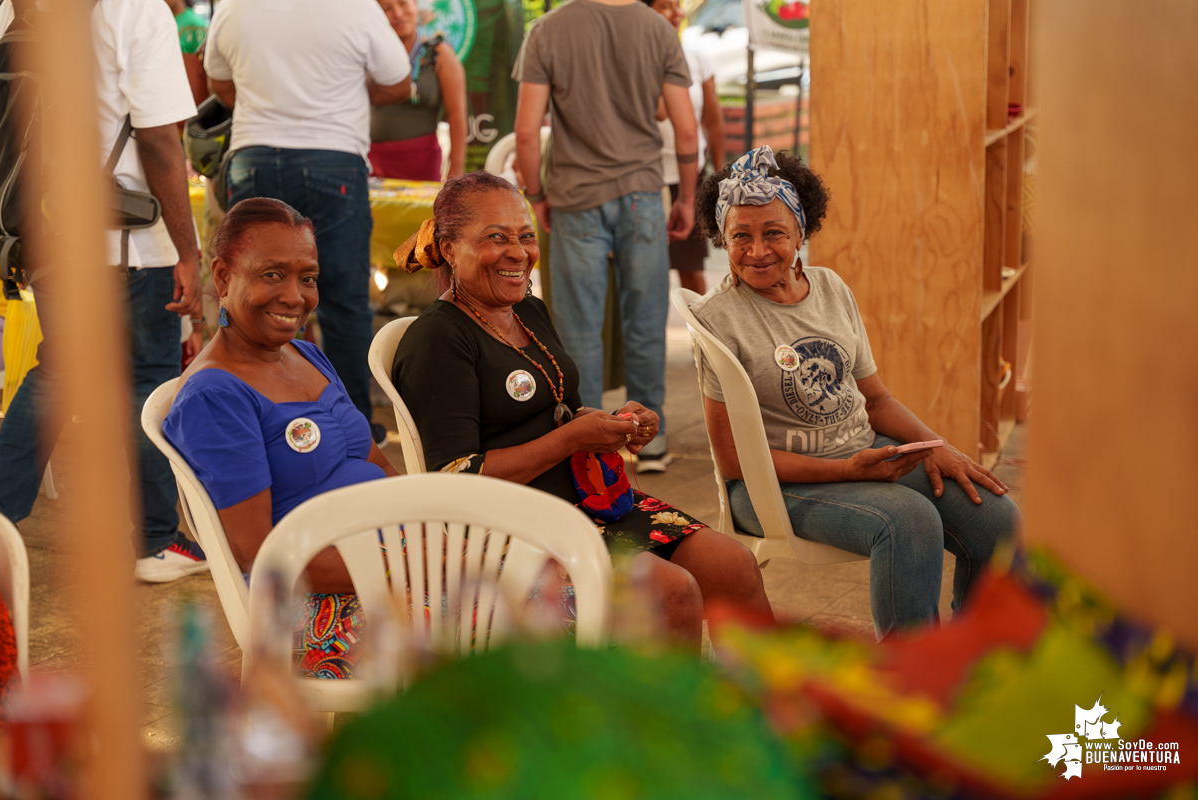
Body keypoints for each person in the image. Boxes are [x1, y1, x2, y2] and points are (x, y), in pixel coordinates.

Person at [391, 172, 773, 653]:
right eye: (496, 238)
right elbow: (454, 477)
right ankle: (661, 726)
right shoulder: (438, 341)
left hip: (588, 499)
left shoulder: (526, 309)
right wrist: (573, 438)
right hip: (509, 528)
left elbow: (556, 408)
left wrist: (611, 422)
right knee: (671, 591)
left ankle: (760, 714)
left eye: (526, 236)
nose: (518, 252)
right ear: (449, 249)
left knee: (734, 565)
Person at [690, 146, 1021, 640]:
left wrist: (936, 447)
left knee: (996, 519)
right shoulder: (720, 320)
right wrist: (843, 470)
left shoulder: (829, 288)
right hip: (772, 488)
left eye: (774, 233)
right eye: (740, 236)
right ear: (722, 237)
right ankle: (911, 682)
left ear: (802, 232)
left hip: (864, 457)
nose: (757, 251)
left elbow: (876, 400)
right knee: (908, 521)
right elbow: (735, 461)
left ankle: (970, 659)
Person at [0, 0, 207, 583]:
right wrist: (188, 252)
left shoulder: (20, 10)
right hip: (129, 246)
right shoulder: (135, 12)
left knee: (58, 372)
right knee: (147, 383)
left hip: (45, 230)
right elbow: (160, 141)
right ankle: (157, 540)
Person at [163, 198, 399, 677]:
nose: (295, 296)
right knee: (520, 632)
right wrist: (400, 572)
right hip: (312, 608)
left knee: (557, 588)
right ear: (224, 277)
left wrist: (432, 531)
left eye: (307, 278)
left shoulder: (306, 355)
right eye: (272, 274)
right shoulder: (216, 395)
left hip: (384, 568)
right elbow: (260, 552)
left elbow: (378, 464)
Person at [204, 0, 411, 447]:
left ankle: (249, 415)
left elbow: (219, 83)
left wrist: (275, 102)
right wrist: (342, 93)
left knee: (247, 295)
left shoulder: (234, 7)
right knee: (343, 303)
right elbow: (398, 84)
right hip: (333, 156)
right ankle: (351, 427)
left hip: (253, 154)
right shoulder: (355, 8)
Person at [512, 0, 700, 474]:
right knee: (645, 322)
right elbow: (685, 127)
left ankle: (591, 447)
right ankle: (648, 441)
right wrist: (685, 196)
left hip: (575, 197)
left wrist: (535, 195)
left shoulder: (547, 31)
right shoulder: (658, 29)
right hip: (642, 195)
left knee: (578, 330)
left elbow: (527, 133)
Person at [645, 0, 725, 297]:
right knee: (645, 271)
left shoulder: (696, 57)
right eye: (666, 6)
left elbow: (713, 122)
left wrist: (720, 176)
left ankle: (701, 340)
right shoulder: (632, 57)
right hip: (647, 178)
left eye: (678, 5)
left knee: (691, 268)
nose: (677, 13)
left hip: (690, 175)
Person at [370, 0, 467, 181]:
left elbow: (457, 115)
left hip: (422, 164)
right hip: (371, 165)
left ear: (416, 5)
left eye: (403, 3)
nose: (398, 13)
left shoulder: (439, 54)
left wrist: (456, 173)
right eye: (386, 8)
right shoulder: (369, 55)